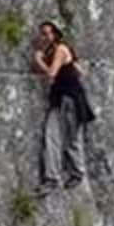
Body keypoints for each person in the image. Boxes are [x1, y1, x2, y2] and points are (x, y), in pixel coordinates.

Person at [32, 20, 92, 191]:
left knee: (67, 138)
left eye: (46, 33)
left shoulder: (60, 49)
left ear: (55, 34)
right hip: (63, 99)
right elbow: (80, 72)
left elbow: (51, 74)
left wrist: (38, 61)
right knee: (56, 136)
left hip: (69, 99)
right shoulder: (55, 50)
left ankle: (71, 174)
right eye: (41, 33)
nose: (43, 37)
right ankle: (58, 176)